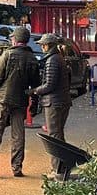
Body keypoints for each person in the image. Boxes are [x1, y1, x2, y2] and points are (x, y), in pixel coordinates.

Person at [0, 25, 41, 178]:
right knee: (18, 134)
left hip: (2, 99)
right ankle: (17, 167)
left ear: (15, 39)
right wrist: (34, 104)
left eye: (12, 38)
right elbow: (35, 86)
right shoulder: (32, 58)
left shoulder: (7, 55)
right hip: (21, 100)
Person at [34, 32, 72, 177]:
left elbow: (49, 85)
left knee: (54, 136)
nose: (42, 47)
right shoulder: (59, 58)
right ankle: (63, 165)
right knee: (59, 134)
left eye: (42, 45)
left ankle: (58, 169)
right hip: (62, 101)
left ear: (47, 45)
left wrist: (35, 91)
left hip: (54, 103)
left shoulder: (52, 60)